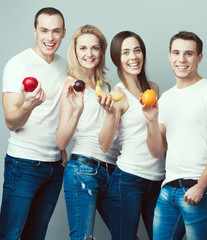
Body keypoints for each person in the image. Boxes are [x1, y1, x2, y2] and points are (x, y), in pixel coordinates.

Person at [141, 31, 207, 240]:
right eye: (176, 53)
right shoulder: (166, 98)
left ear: (199, 57)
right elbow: (156, 151)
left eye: (188, 54)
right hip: (169, 190)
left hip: (201, 189)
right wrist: (152, 121)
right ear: (169, 56)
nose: (181, 59)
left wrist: (200, 186)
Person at [0, 7, 67, 240]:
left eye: (56, 31)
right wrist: (28, 105)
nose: (50, 37)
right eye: (44, 30)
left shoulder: (65, 66)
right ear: (35, 31)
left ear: (63, 33)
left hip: (54, 167)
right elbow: (10, 121)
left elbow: (61, 114)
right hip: (23, 164)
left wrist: (62, 149)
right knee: (10, 234)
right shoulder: (18, 64)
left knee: (36, 235)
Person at [98, 31, 165, 240]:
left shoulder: (153, 89)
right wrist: (110, 115)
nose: (133, 57)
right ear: (117, 59)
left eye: (137, 50)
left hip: (158, 179)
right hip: (128, 180)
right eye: (125, 52)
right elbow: (104, 145)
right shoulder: (118, 96)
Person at [56, 25, 119, 240]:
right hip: (84, 169)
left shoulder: (106, 87)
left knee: (125, 234)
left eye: (94, 48)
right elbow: (61, 141)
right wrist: (77, 111)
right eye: (83, 48)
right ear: (75, 51)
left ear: (102, 51)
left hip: (111, 171)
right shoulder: (72, 85)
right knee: (84, 238)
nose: (88, 54)